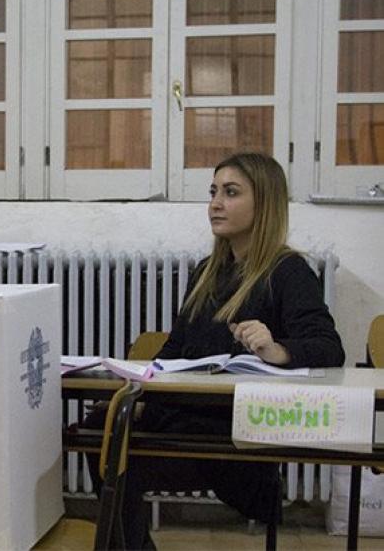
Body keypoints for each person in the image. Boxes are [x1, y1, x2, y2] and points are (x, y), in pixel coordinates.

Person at [81, 152, 344, 549]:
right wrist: (140, 391)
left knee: (118, 454)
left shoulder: (288, 271)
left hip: (232, 429)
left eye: (231, 193)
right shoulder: (207, 271)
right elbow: (176, 349)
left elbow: (329, 348)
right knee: (96, 428)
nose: (216, 204)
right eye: (213, 192)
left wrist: (276, 349)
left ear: (264, 203)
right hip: (187, 416)